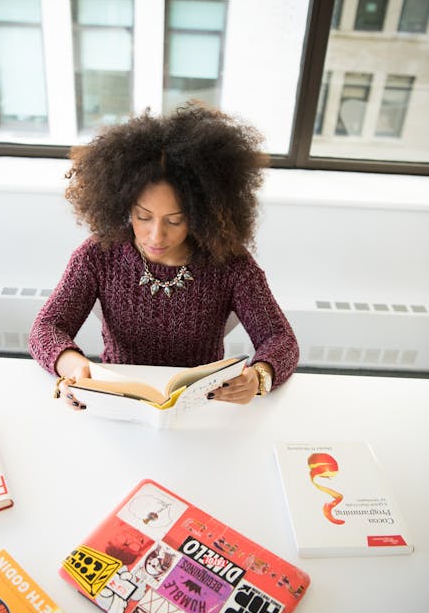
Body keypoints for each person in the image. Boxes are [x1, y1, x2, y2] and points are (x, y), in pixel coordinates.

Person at [29, 104, 299, 410]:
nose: (156, 236)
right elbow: (47, 328)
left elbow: (280, 339)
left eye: (174, 221)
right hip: (119, 402)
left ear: (202, 214)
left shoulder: (230, 264)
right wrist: (73, 367)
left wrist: (259, 376)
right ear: (123, 204)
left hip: (200, 406)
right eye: (143, 217)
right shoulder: (98, 256)